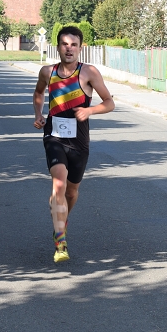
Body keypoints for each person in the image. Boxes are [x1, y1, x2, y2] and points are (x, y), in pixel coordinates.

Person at [33, 26, 115, 263]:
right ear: (58, 47)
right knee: (58, 182)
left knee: (71, 191)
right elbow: (38, 93)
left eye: (73, 45)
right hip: (54, 135)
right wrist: (38, 114)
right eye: (64, 44)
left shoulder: (88, 72)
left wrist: (90, 110)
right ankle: (60, 241)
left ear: (80, 48)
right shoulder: (47, 72)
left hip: (79, 140)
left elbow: (109, 103)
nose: (69, 49)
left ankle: (62, 219)